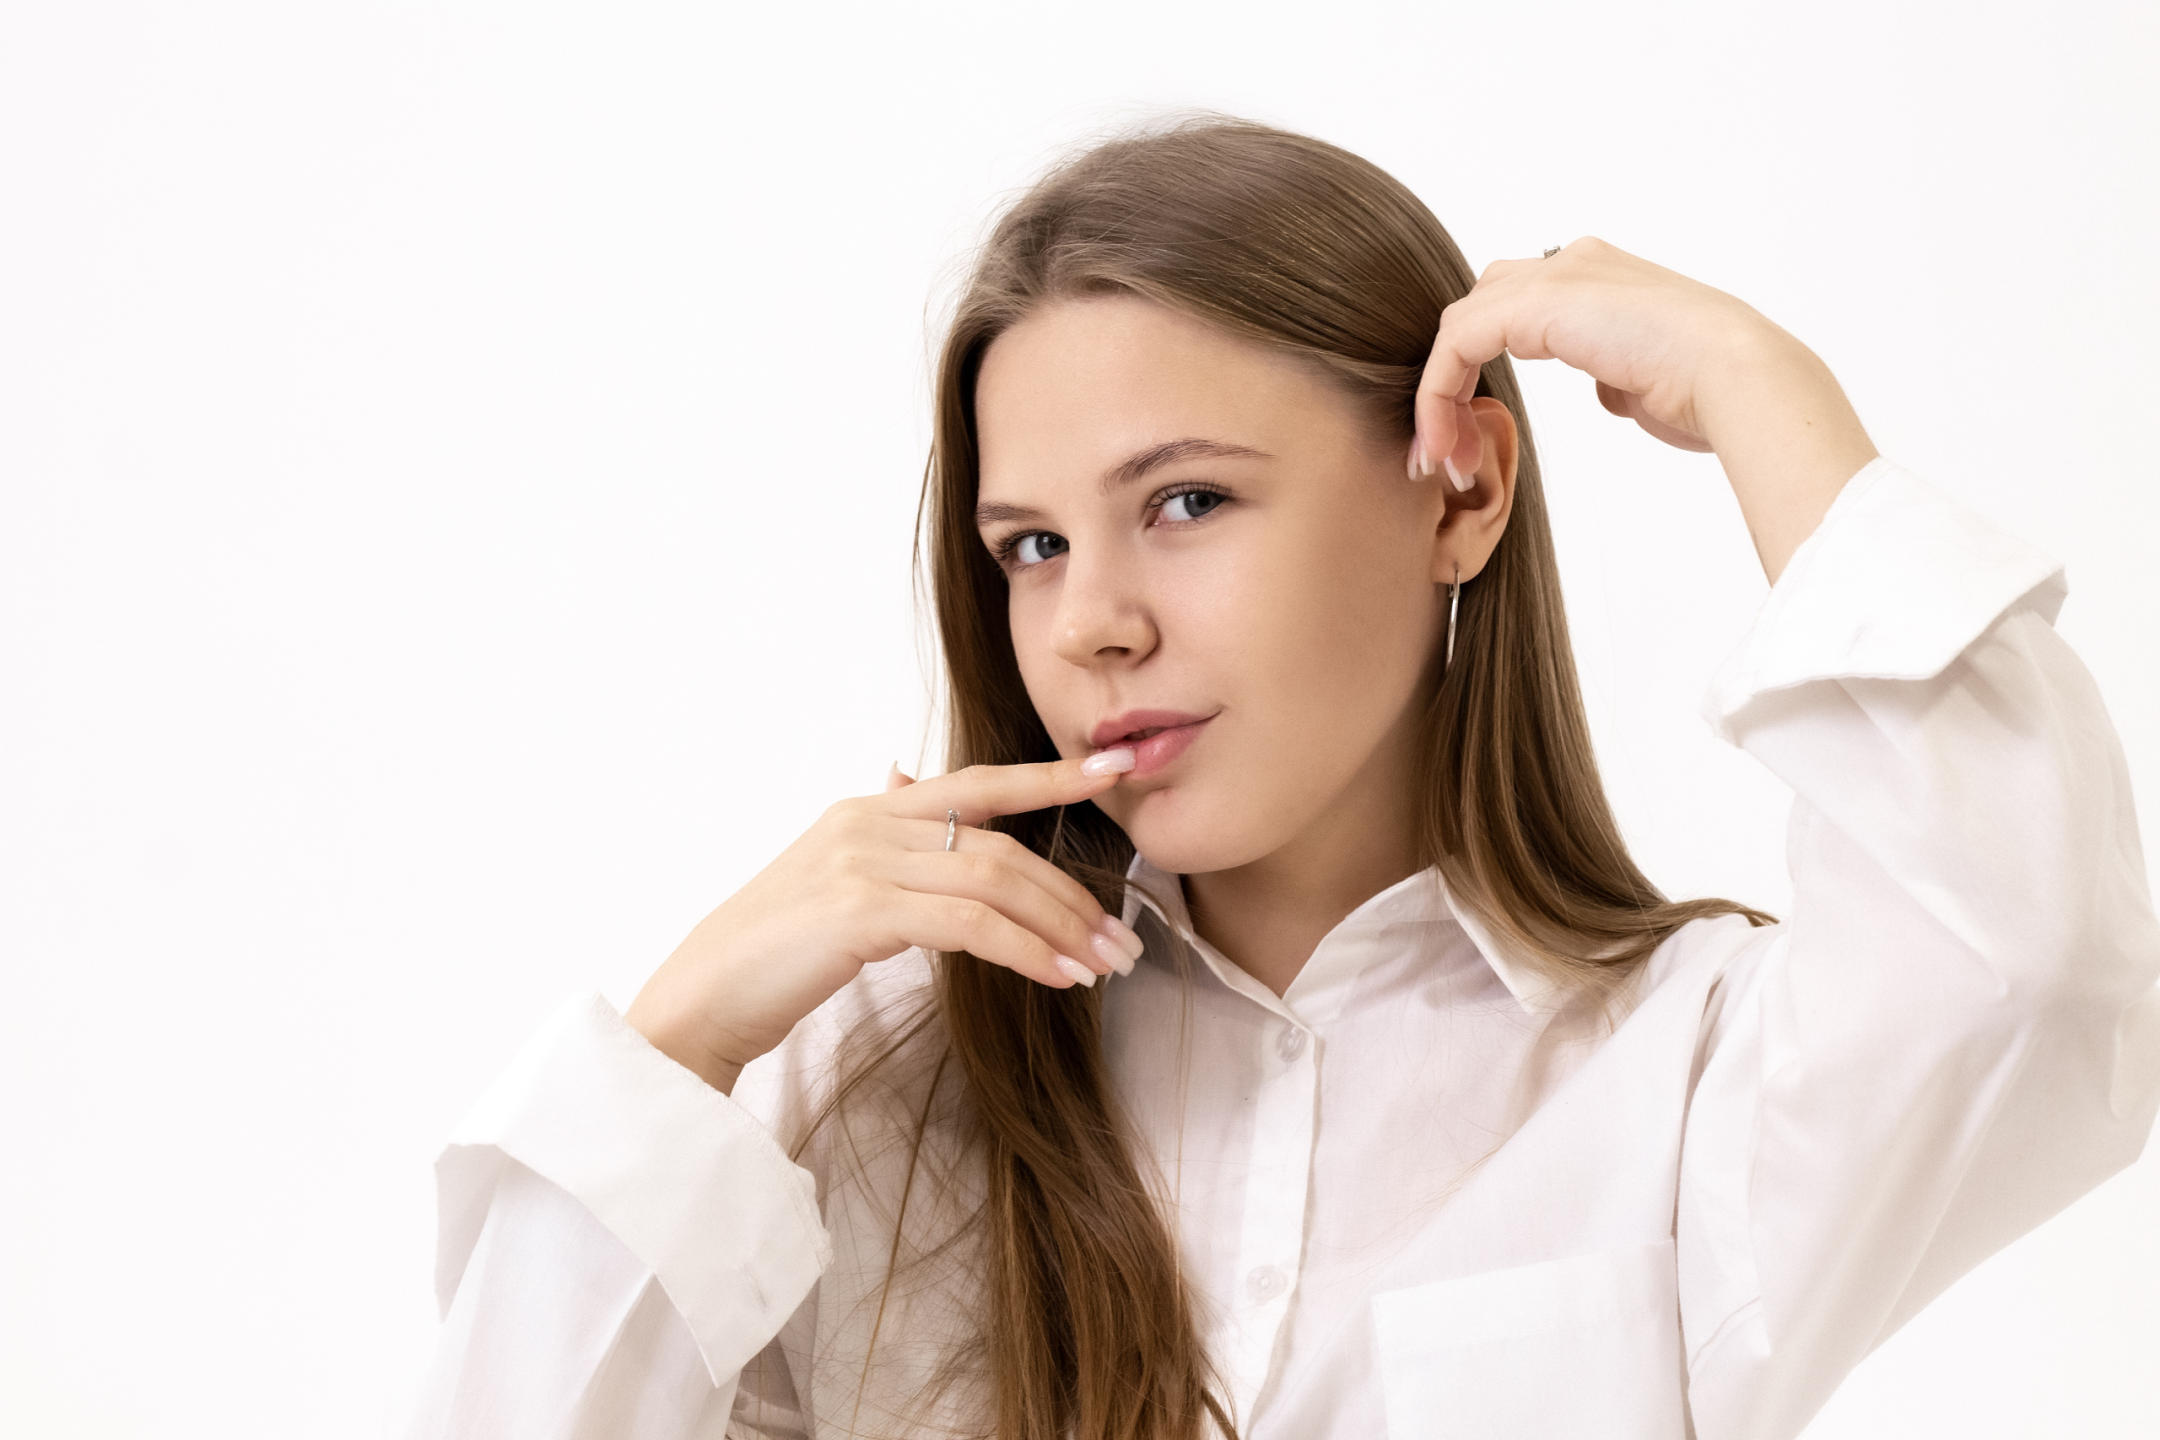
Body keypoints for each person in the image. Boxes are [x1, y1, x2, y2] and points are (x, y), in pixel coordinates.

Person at [395, 112, 2160, 1440]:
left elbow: (2036, 969)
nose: (1093, 624)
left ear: (1461, 491)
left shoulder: (1684, 1073)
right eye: (1029, 545)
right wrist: (684, 1043)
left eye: (1185, 502)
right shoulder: (874, 1084)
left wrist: (1764, 391)